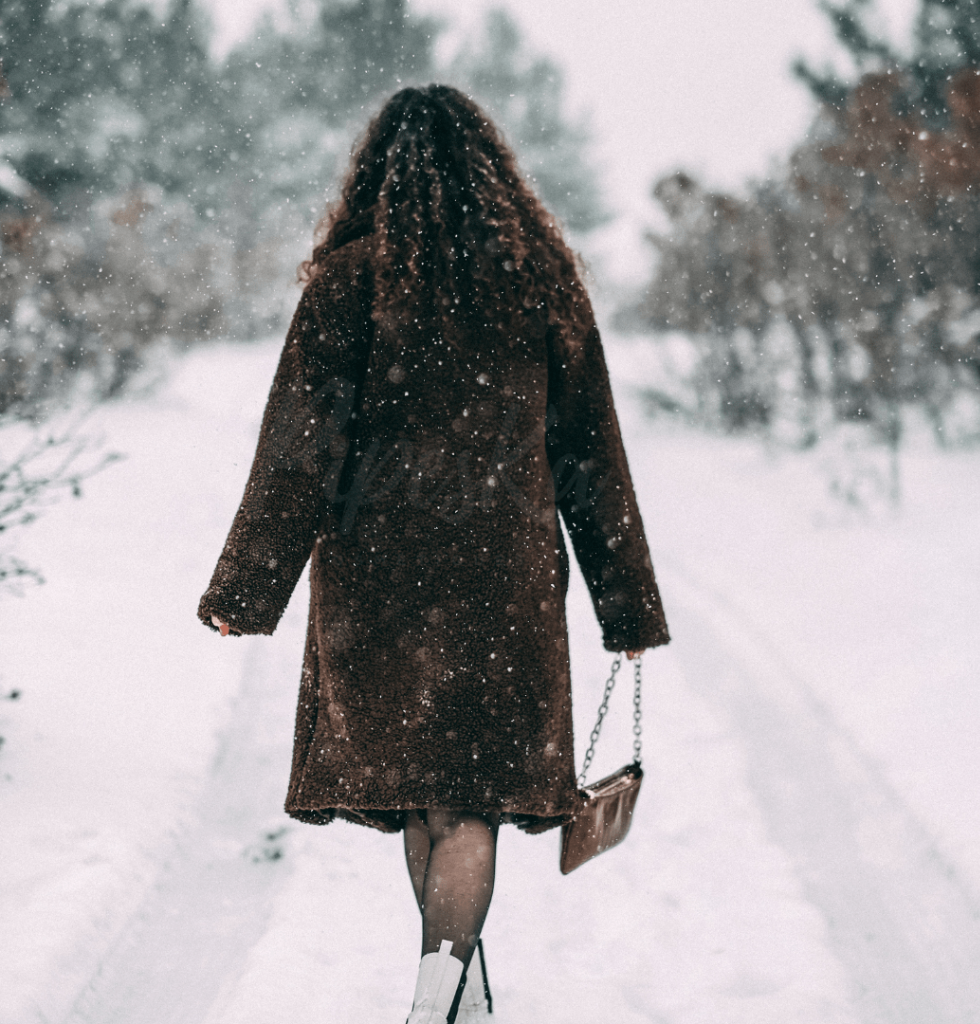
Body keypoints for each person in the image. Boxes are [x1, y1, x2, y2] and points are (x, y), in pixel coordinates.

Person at [198, 84, 669, 1024]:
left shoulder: (349, 284)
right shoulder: (540, 280)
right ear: (495, 175)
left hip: (379, 578)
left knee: (426, 801)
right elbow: (588, 451)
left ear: (378, 172)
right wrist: (627, 603)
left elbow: (298, 448)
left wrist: (245, 588)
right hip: (504, 582)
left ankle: (438, 1001)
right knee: (465, 806)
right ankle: (457, 996)